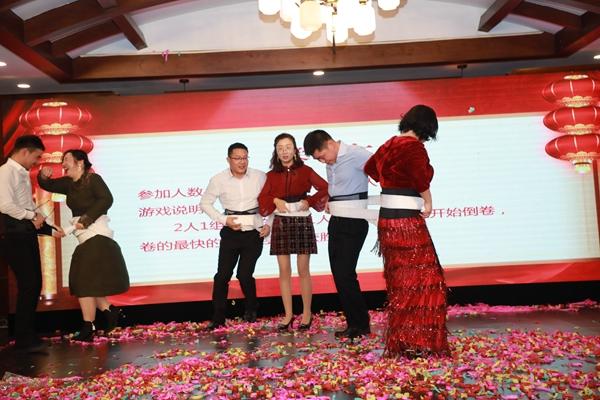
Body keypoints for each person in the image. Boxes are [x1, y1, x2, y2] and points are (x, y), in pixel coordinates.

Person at [364, 105, 449, 357]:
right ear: (427, 127)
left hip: (387, 221)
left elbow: (370, 169)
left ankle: (403, 340)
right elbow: (421, 179)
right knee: (426, 280)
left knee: (401, 282)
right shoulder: (414, 148)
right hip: (406, 221)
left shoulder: (389, 144)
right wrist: (428, 201)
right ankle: (420, 340)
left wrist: (390, 177)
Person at [37, 149, 129, 342]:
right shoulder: (69, 184)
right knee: (89, 281)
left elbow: (107, 199)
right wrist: (43, 176)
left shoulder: (93, 179)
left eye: (66, 160)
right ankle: (109, 311)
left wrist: (86, 219)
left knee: (82, 281)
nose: (63, 164)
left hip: (97, 235)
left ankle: (89, 325)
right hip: (84, 236)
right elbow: (48, 184)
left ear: (80, 162)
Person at [303, 129, 371, 339]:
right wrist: (331, 200)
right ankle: (354, 323)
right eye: (318, 160)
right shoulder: (331, 162)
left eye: (322, 156)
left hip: (354, 220)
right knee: (339, 274)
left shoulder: (356, 154)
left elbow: (383, 170)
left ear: (330, 144)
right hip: (337, 220)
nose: (323, 162)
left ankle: (360, 324)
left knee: (345, 273)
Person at [258, 133, 328, 331]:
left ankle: (306, 314)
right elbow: (262, 199)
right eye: (280, 148)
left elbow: (325, 188)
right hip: (281, 222)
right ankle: (288, 314)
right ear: (276, 152)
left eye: (288, 147)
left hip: (302, 220)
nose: (284, 151)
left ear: (295, 150)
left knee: (303, 270)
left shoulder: (306, 171)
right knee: (284, 271)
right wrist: (275, 200)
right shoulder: (271, 175)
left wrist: (310, 201)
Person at [200, 143, 270, 330]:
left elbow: (272, 201)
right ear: (228, 159)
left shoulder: (260, 176)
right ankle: (218, 317)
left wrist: (269, 224)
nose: (242, 162)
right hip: (231, 233)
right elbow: (205, 203)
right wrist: (223, 219)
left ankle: (251, 309)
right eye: (237, 158)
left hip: (254, 232)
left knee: (244, 274)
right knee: (222, 276)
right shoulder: (218, 179)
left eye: (245, 157)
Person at [0, 135, 54, 352]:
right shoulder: (6, 172)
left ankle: (27, 335)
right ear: (24, 152)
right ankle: (23, 339)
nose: (37, 162)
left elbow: (28, 205)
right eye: (36, 157)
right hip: (13, 235)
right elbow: (5, 205)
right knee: (28, 283)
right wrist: (31, 216)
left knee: (34, 283)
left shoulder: (21, 173)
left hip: (25, 233)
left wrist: (46, 224)